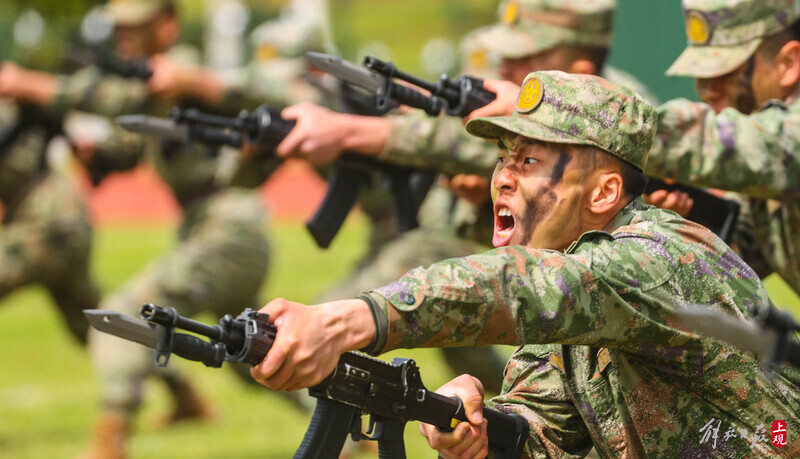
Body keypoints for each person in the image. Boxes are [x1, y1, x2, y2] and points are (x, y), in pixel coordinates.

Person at [250, 71, 800, 457]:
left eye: (530, 161)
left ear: (605, 192)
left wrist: (351, 320)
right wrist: (479, 430)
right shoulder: (564, 291)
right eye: (503, 158)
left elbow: (515, 286)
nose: (503, 177)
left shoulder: (658, 258)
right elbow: (549, 435)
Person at [274, 0, 665, 394]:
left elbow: (517, 284)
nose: (507, 68)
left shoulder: (626, 123)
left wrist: (360, 318)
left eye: (528, 55)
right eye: (502, 158)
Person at [0, 1, 272, 457]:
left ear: (167, 25)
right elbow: (129, 143)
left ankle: (110, 443)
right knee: (254, 351)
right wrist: (98, 154)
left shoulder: (176, 70)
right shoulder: (153, 89)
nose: (124, 36)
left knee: (124, 313)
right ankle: (345, 435)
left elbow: (118, 98)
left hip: (228, 229)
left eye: (136, 27)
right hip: (220, 230)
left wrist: (33, 85)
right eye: (120, 28)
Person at [0, 100, 99, 345]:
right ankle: (172, 376)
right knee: (96, 327)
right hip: (67, 216)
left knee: (96, 326)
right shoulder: (13, 110)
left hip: (43, 222)